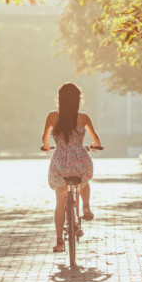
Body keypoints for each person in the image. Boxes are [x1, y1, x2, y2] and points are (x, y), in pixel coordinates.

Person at [41, 82, 102, 253]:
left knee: (60, 203)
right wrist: (95, 145)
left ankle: (59, 241)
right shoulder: (83, 118)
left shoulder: (52, 117)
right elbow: (95, 139)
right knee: (84, 182)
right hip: (79, 162)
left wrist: (46, 147)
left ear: (59, 99)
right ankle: (86, 206)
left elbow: (44, 139)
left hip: (60, 164)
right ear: (78, 99)